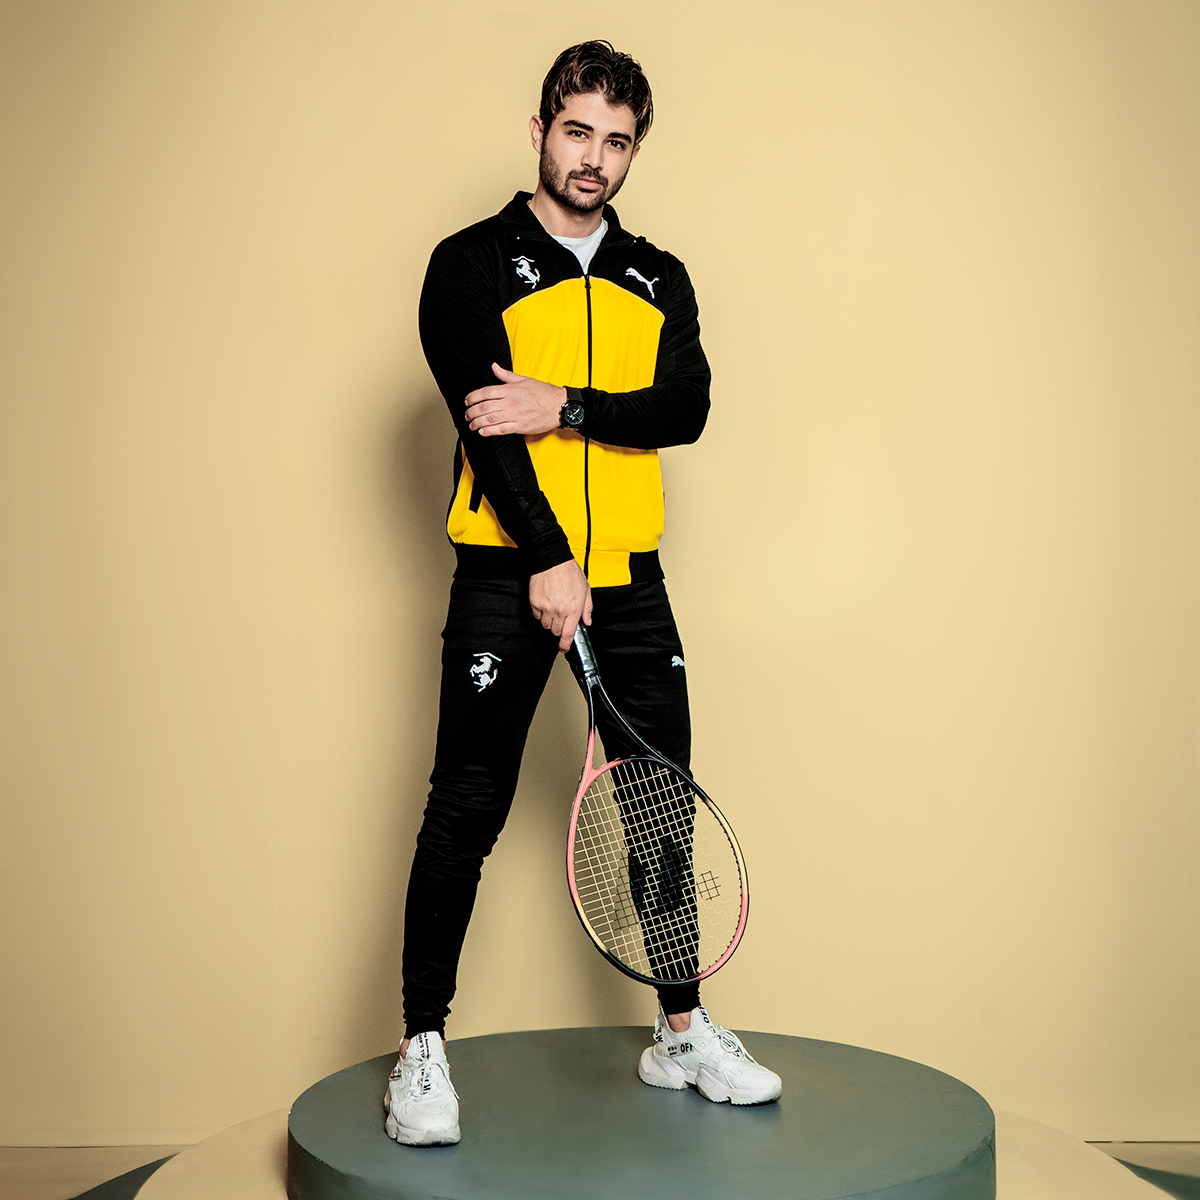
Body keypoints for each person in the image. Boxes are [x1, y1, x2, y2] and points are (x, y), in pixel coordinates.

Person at [384, 40, 782, 1147]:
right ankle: (422, 1049)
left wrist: (564, 402)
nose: (594, 158)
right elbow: (487, 429)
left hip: (633, 584)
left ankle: (681, 1033)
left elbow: (685, 407)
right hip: (507, 574)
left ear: (634, 150)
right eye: (576, 132)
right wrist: (551, 558)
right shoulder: (469, 264)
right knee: (466, 804)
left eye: (617, 140)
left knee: (658, 802)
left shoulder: (659, 276)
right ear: (539, 131)